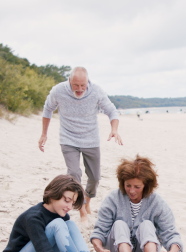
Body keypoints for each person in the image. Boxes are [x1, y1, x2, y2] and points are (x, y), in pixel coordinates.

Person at [39, 66, 123, 222]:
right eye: (75, 85)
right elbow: (47, 109)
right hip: (68, 139)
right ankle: (82, 209)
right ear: (69, 81)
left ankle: (87, 200)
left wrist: (114, 129)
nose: (79, 89)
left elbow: (111, 110)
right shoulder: (58, 91)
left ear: (87, 82)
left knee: (95, 177)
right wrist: (44, 133)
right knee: (74, 173)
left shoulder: (96, 91)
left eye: (82, 85)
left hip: (91, 140)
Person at [90, 155, 184, 252]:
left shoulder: (157, 203)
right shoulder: (113, 199)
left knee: (147, 225)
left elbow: (171, 234)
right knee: (119, 224)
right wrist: (100, 250)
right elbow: (99, 231)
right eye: (128, 185)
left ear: (146, 185)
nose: (132, 190)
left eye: (137, 187)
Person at [2, 175, 95, 252]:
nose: (69, 207)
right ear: (53, 195)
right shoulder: (33, 217)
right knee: (57, 224)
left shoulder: (63, 215)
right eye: (66, 200)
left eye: (72, 203)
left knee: (70, 224)